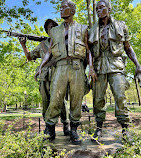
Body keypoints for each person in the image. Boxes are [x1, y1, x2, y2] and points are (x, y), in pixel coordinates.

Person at [38, 0, 96, 145]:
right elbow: (50, 51)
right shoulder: (55, 31)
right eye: (60, 7)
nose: (61, 10)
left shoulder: (83, 28)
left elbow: (88, 51)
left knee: (76, 99)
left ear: (73, 10)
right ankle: (50, 128)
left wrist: (91, 68)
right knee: (55, 98)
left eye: (65, 7)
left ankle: (74, 129)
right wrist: (42, 65)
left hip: (77, 67)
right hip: (61, 66)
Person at [88, 0, 141, 141]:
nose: (98, 10)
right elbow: (90, 52)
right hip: (99, 67)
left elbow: (128, 47)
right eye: (96, 8)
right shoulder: (92, 29)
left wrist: (137, 64)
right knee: (98, 98)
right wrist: (91, 69)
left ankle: (125, 129)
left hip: (116, 65)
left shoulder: (121, 25)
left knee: (120, 96)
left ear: (109, 8)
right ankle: (98, 129)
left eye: (101, 7)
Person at [19, 19, 70, 136]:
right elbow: (29, 56)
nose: (50, 29)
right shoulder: (41, 45)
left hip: (59, 74)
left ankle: (66, 124)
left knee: (61, 102)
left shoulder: (63, 42)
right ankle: (49, 128)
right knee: (45, 101)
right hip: (44, 76)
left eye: (53, 27)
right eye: (48, 27)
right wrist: (23, 44)